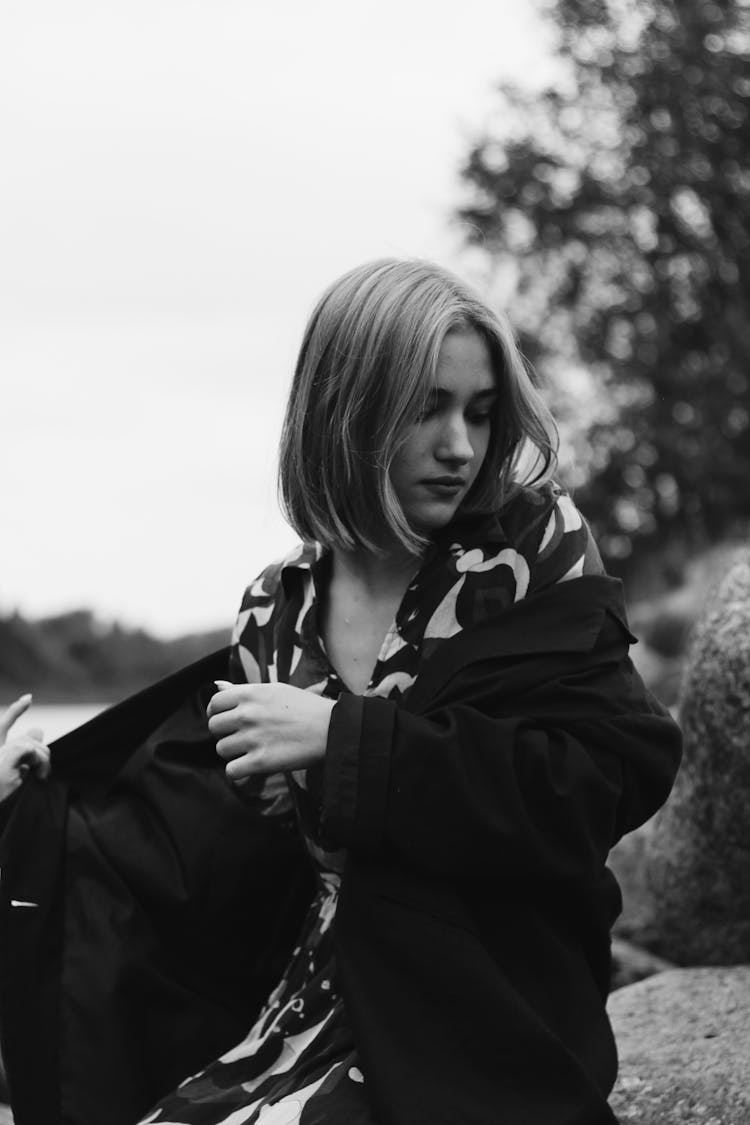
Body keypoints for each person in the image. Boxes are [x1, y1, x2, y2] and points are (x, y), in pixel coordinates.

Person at [1, 258, 682, 1125]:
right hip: (306, 1003)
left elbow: (602, 781)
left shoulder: (531, 553)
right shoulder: (276, 606)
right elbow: (192, 863)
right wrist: (40, 799)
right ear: (347, 411)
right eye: (426, 408)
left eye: (478, 411)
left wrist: (343, 739)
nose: (461, 447)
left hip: (479, 1007)